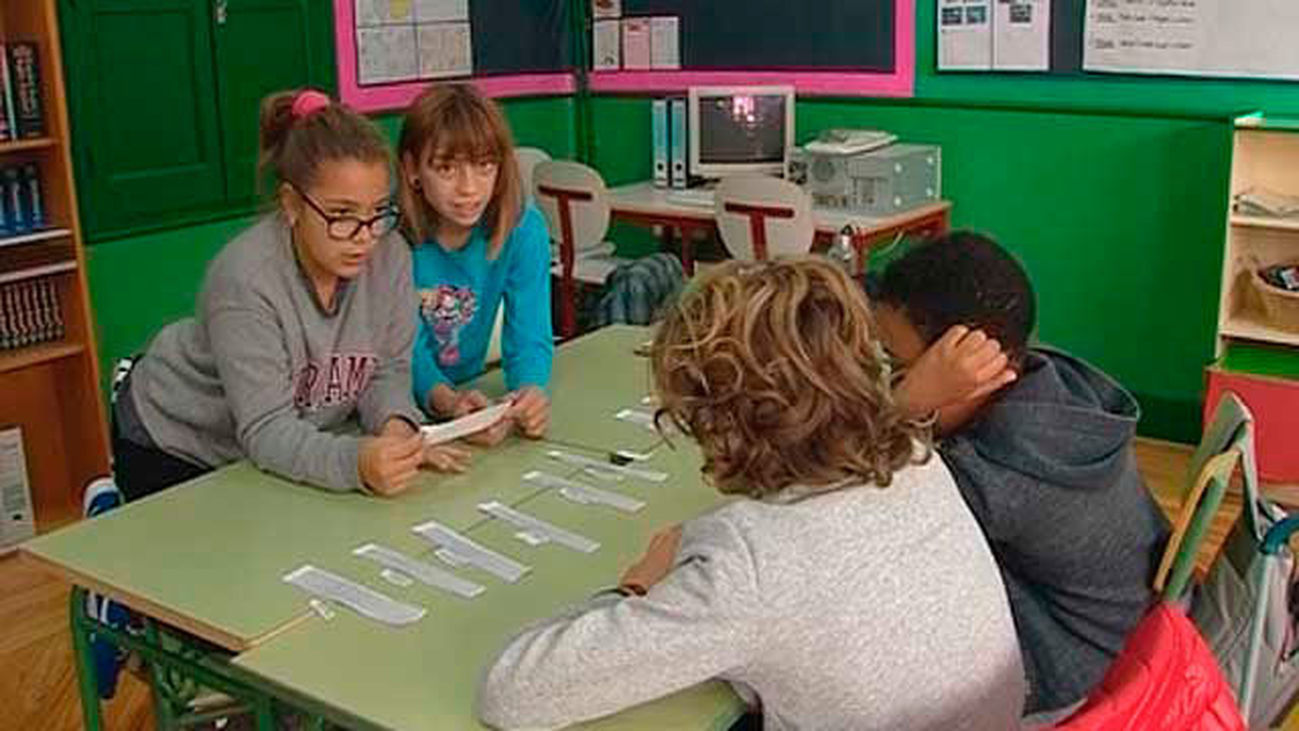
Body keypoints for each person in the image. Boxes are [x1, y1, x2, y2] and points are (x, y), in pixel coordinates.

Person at [477, 258, 1025, 731]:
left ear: (721, 426)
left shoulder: (752, 568)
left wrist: (636, 587)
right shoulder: (912, 454)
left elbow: (513, 693)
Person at [112, 89, 468, 501]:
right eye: (341, 215)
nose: (364, 237)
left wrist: (396, 431)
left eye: (377, 212)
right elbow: (265, 429)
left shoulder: (391, 257)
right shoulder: (245, 278)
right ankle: (110, 496)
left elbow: (385, 371)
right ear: (293, 205)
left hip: (270, 442)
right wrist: (355, 463)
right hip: (173, 441)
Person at [872, 231, 1170, 718]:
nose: (884, 383)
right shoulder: (1046, 378)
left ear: (974, 366)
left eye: (897, 368)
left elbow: (853, 504)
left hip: (1071, 667)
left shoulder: (998, 474)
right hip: (1125, 623)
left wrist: (908, 405)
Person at [398, 83, 553, 446]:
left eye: (485, 166)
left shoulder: (523, 228)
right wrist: (446, 401)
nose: (469, 188)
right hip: (395, 406)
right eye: (446, 168)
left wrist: (529, 393)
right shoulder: (389, 238)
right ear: (412, 169)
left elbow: (529, 332)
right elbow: (404, 350)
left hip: (469, 389)